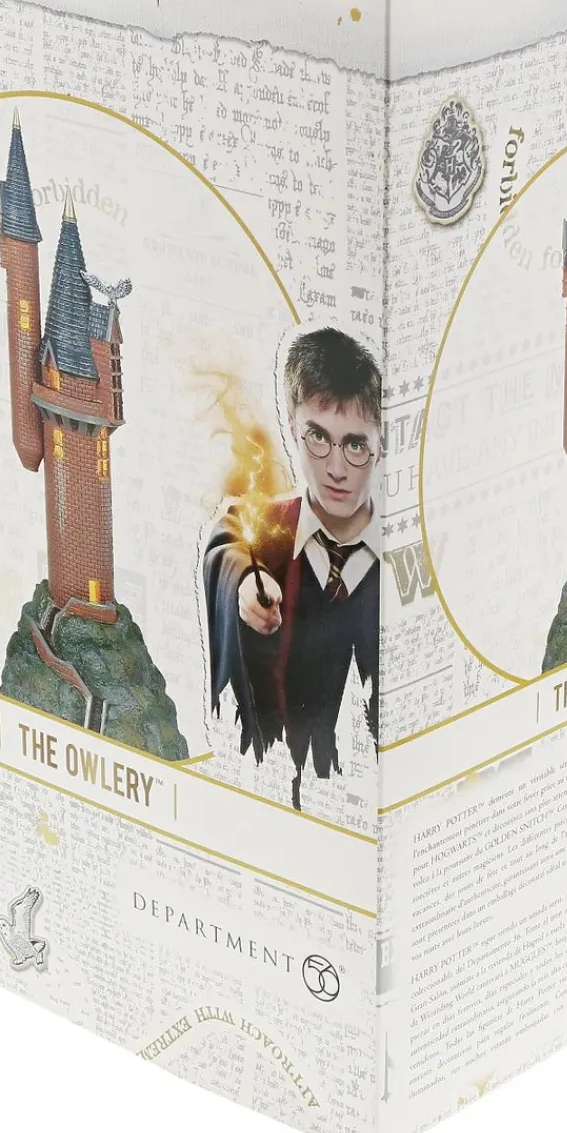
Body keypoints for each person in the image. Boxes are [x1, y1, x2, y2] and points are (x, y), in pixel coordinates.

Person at [203, 328, 382, 811]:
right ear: (290, 426)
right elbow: (228, 542)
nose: (336, 469)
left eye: (356, 445)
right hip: (271, 798)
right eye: (318, 437)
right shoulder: (269, 533)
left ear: (380, 443)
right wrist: (245, 583)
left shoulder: (395, 558)